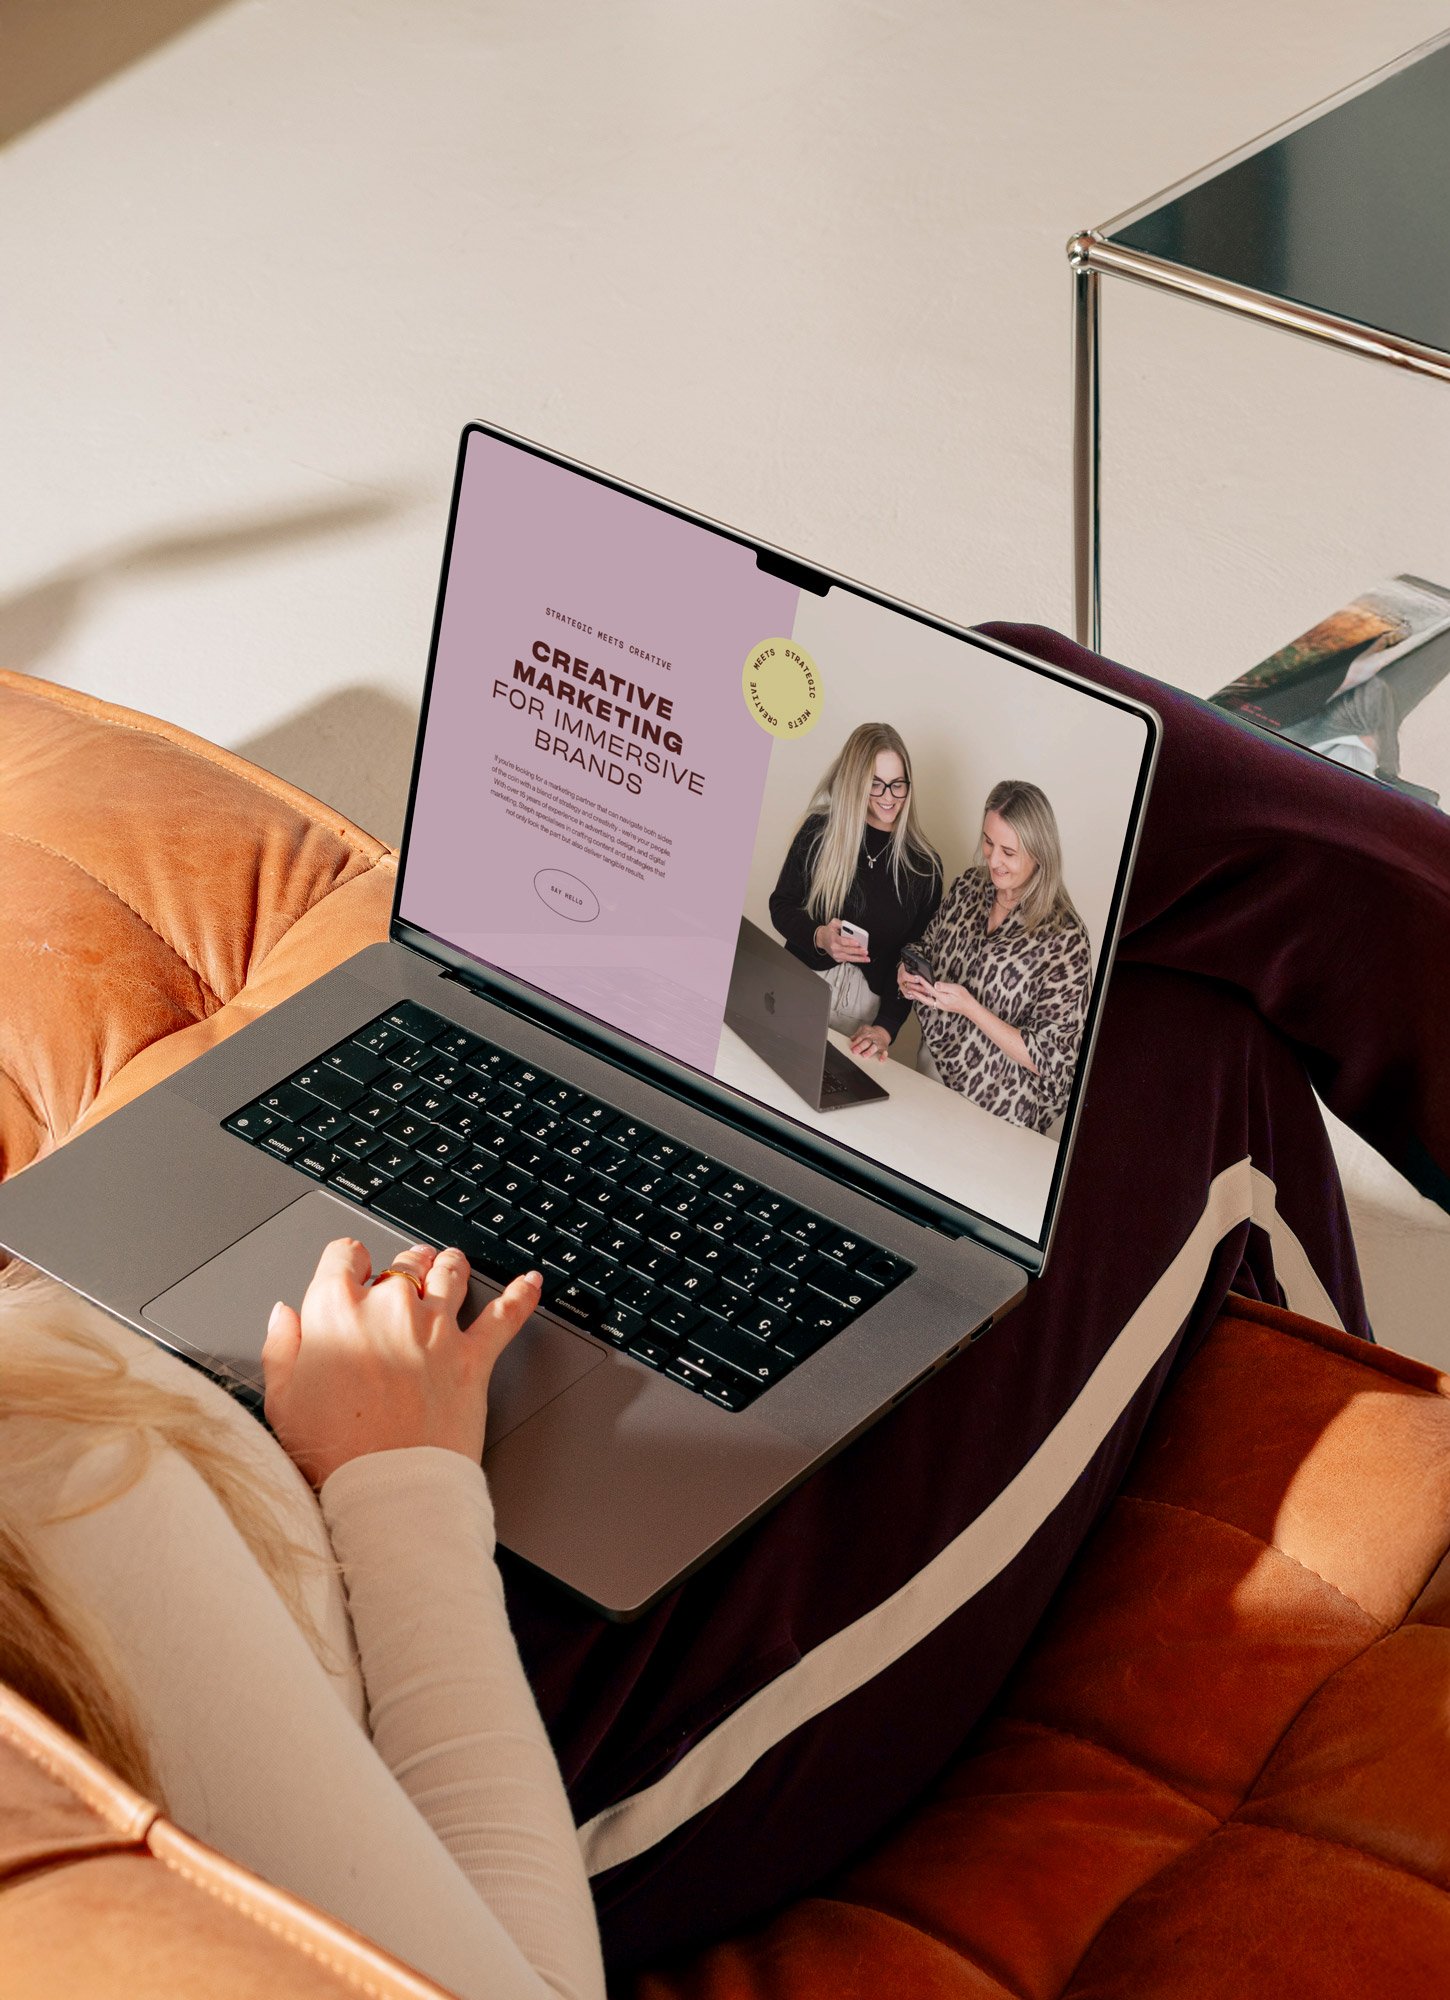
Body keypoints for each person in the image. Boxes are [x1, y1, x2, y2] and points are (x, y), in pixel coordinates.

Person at [4, 621, 1450, 1979]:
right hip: (531, 1678)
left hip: (262, 1375)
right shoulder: (83, 1507)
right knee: (1185, 1054)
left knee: (1030, 744)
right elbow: (498, 1979)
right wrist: (393, 1478)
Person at [900, 779, 1092, 1132]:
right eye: (988, 842)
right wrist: (906, 971)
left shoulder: (1065, 938)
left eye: (1009, 851)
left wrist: (970, 1007)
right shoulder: (971, 885)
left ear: (1039, 853)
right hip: (931, 1070)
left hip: (998, 1111)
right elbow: (925, 946)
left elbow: (1053, 1061)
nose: (993, 859)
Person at [768, 722, 942, 1060]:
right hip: (796, 982)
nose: (889, 798)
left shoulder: (925, 869)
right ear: (855, 781)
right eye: (875, 785)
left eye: (897, 784)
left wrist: (885, 1028)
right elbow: (781, 905)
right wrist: (819, 936)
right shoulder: (819, 831)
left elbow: (912, 964)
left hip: (860, 1012)